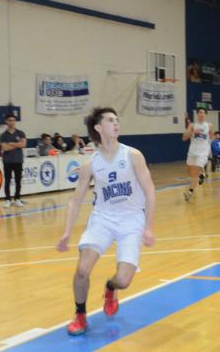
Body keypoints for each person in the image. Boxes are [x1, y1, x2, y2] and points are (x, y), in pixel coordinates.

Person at [55, 107, 156, 336]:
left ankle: (111, 288)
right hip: (103, 219)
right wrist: (67, 232)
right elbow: (75, 201)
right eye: (110, 120)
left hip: (131, 221)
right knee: (82, 270)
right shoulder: (90, 164)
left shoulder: (133, 155)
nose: (116, 123)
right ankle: (80, 314)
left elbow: (150, 191)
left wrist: (149, 226)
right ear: (98, 128)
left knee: (123, 279)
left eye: (117, 120)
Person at [182, 107, 213, 202]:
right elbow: (184, 138)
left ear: (206, 115)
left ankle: (189, 192)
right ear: (197, 114)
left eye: (203, 113)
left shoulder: (209, 125)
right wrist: (192, 131)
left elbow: (211, 136)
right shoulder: (192, 125)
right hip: (192, 151)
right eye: (199, 112)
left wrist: (209, 150)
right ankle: (201, 175)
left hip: (203, 152)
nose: (201, 114)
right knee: (190, 172)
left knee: (195, 171)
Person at [0, 114, 26, 208]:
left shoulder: (20, 133)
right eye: (10, 120)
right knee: (7, 181)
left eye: (14, 120)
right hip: (7, 161)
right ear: (6, 122)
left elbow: (23, 145)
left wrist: (11, 143)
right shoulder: (3, 135)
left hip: (18, 160)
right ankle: (7, 199)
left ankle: (17, 199)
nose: (12, 122)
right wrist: (17, 144)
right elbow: (4, 148)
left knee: (18, 181)